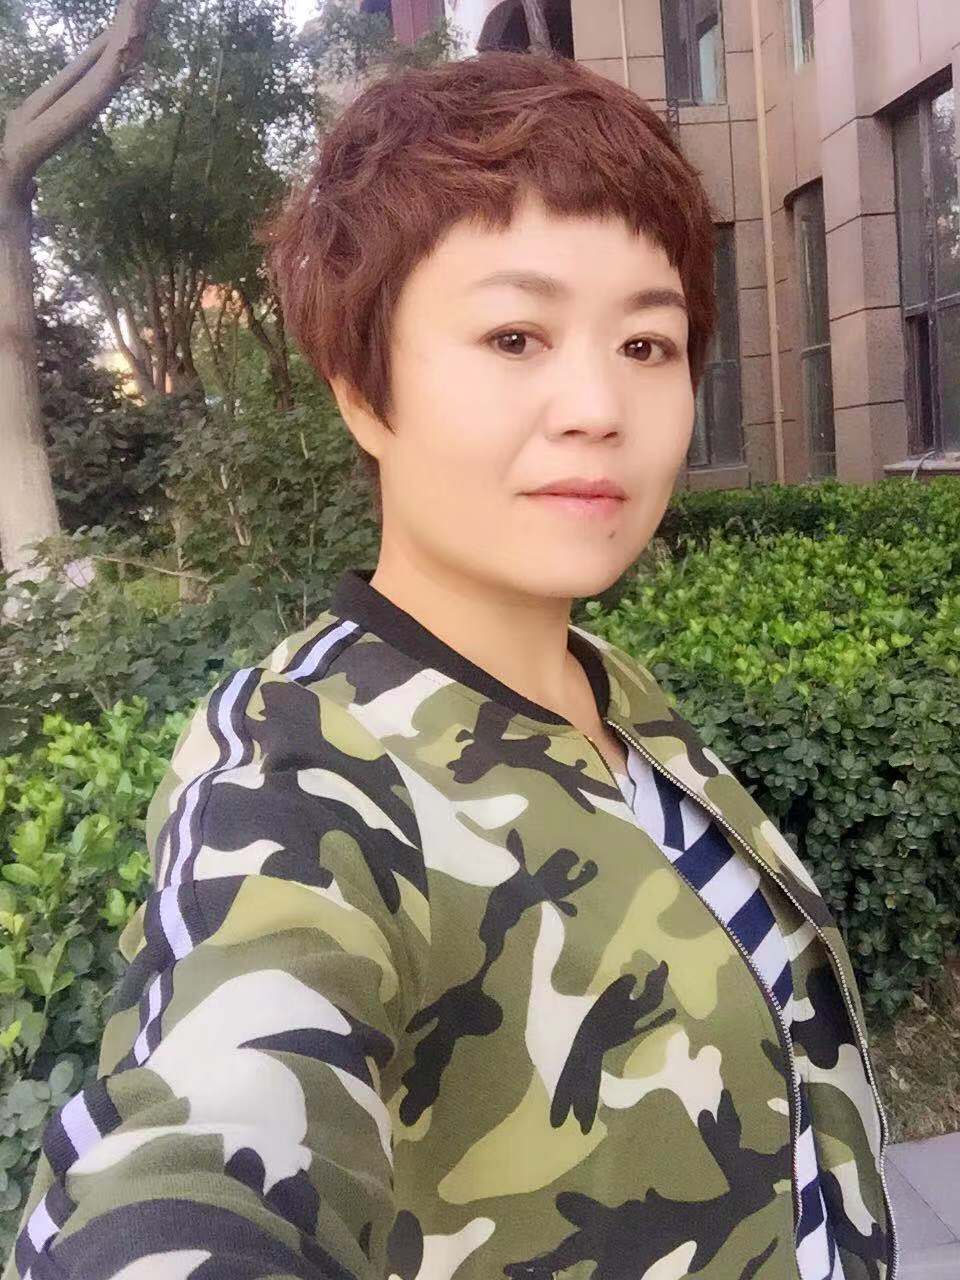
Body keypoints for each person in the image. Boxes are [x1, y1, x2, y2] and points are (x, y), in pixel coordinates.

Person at [6, 49, 895, 1280]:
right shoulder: (301, 769)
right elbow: (194, 1149)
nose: (598, 404)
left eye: (648, 343)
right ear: (363, 390)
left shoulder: (612, 688)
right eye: (516, 334)